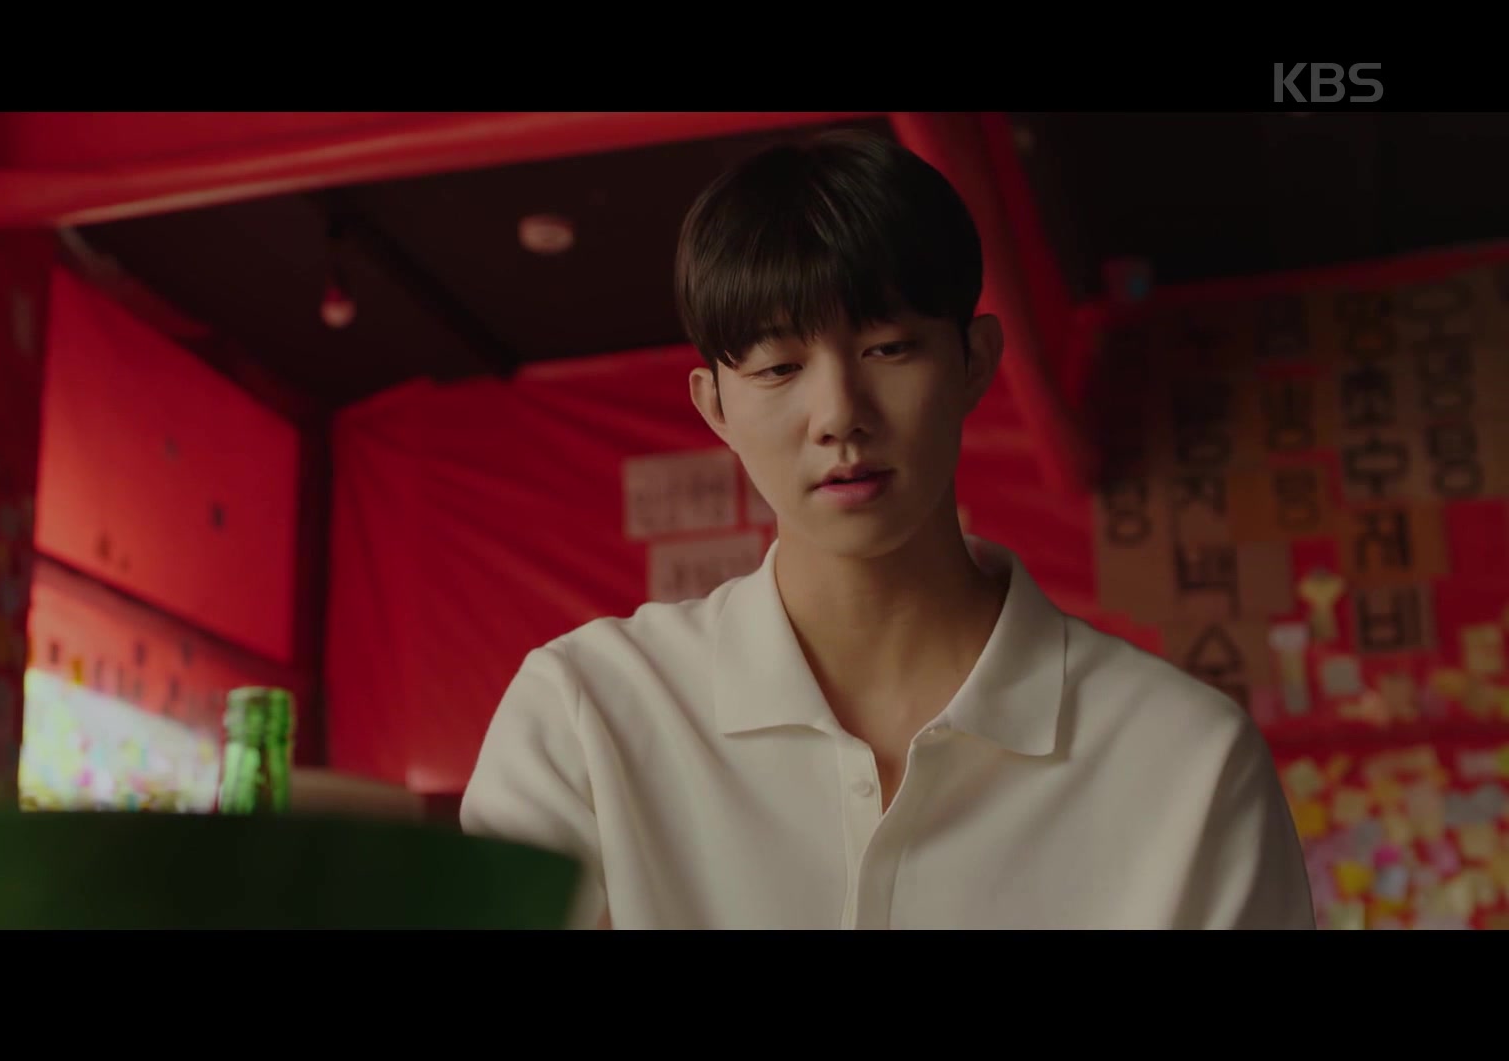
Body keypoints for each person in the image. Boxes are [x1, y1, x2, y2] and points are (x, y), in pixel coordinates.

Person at [457, 130, 1316, 930]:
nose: (839, 415)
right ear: (714, 406)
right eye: (779, 367)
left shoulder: (1187, 762)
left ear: (975, 361)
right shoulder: (587, 715)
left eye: (889, 349)